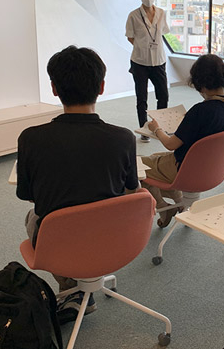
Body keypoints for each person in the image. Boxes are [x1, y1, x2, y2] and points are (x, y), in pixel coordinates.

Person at [16, 46, 139, 324]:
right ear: (102, 87)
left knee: (32, 217)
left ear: (54, 89)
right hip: (116, 239)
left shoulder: (31, 138)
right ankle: (80, 286)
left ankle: (70, 287)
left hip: (56, 244)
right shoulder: (123, 138)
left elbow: (26, 195)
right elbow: (131, 189)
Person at [142, 54, 224, 227]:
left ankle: (163, 206)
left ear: (201, 83)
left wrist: (156, 129)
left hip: (186, 169)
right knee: (154, 157)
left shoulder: (200, 111)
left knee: (135, 166)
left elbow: (170, 144)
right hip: (214, 170)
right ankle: (178, 202)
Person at [125, 0, 171, 142]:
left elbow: (164, 31)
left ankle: (161, 127)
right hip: (140, 61)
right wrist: (142, 46)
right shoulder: (133, 15)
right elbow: (130, 37)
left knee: (163, 95)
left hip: (158, 59)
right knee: (142, 98)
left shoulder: (161, 13)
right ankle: (144, 130)